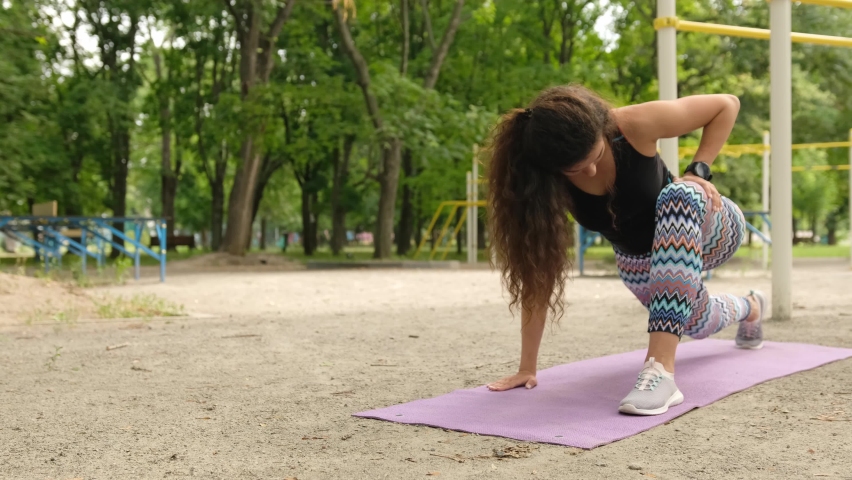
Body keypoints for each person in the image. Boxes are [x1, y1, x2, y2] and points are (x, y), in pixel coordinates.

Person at [484, 85, 766, 416]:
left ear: (603, 131)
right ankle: (751, 306)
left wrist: (697, 171)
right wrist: (527, 367)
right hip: (643, 260)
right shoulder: (542, 182)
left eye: (595, 157)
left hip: (709, 228)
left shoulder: (632, 125)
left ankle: (659, 371)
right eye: (575, 170)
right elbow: (538, 274)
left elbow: (726, 105)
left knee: (678, 194)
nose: (589, 172)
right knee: (697, 324)